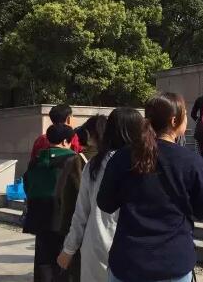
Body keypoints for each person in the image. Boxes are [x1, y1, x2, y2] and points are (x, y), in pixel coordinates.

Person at [98, 93, 203, 282]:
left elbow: (105, 203)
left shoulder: (122, 157)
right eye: (185, 114)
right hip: (172, 260)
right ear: (174, 120)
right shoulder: (191, 161)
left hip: (128, 260)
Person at [56, 108, 142, 282]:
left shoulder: (95, 164)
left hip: (96, 246)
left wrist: (69, 249)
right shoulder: (144, 164)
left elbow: (81, 213)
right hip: (134, 249)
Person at [54, 114, 107, 281]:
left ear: (89, 135)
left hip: (87, 236)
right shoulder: (123, 160)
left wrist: (67, 239)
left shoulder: (78, 161)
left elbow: (67, 201)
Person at [23, 124, 77, 282]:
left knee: (43, 258)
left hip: (38, 214)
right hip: (63, 216)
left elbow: (27, 184)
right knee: (63, 259)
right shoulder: (73, 159)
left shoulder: (36, 160)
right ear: (66, 141)